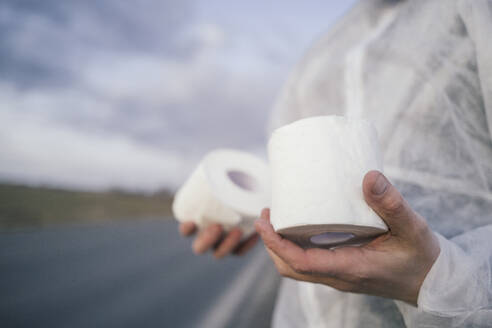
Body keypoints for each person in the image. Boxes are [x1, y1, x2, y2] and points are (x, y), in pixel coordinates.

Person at [179, 0, 492, 326]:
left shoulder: (473, 11)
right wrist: (243, 211)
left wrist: (441, 282)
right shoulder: (320, 55)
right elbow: (292, 173)